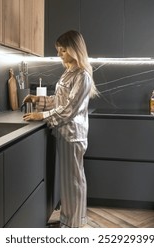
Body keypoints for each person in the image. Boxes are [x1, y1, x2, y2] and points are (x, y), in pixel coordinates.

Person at [22, 30, 98, 228]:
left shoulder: (82, 76)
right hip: (66, 133)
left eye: (63, 50)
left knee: (74, 180)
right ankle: (69, 219)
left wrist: (42, 115)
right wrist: (38, 100)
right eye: (59, 51)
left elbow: (69, 109)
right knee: (69, 179)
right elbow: (60, 101)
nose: (59, 55)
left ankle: (73, 224)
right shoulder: (69, 72)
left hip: (73, 135)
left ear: (74, 50)